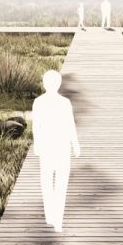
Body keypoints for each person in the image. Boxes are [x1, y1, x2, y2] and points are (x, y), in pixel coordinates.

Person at [30, 70, 81, 231]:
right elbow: (70, 125)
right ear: (58, 84)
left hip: (47, 147)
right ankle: (56, 219)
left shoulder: (39, 102)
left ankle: (51, 216)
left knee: (47, 182)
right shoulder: (64, 102)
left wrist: (37, 144)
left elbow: (36, 126)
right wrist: (75, 144)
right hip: (61, 147)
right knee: (60, 184)